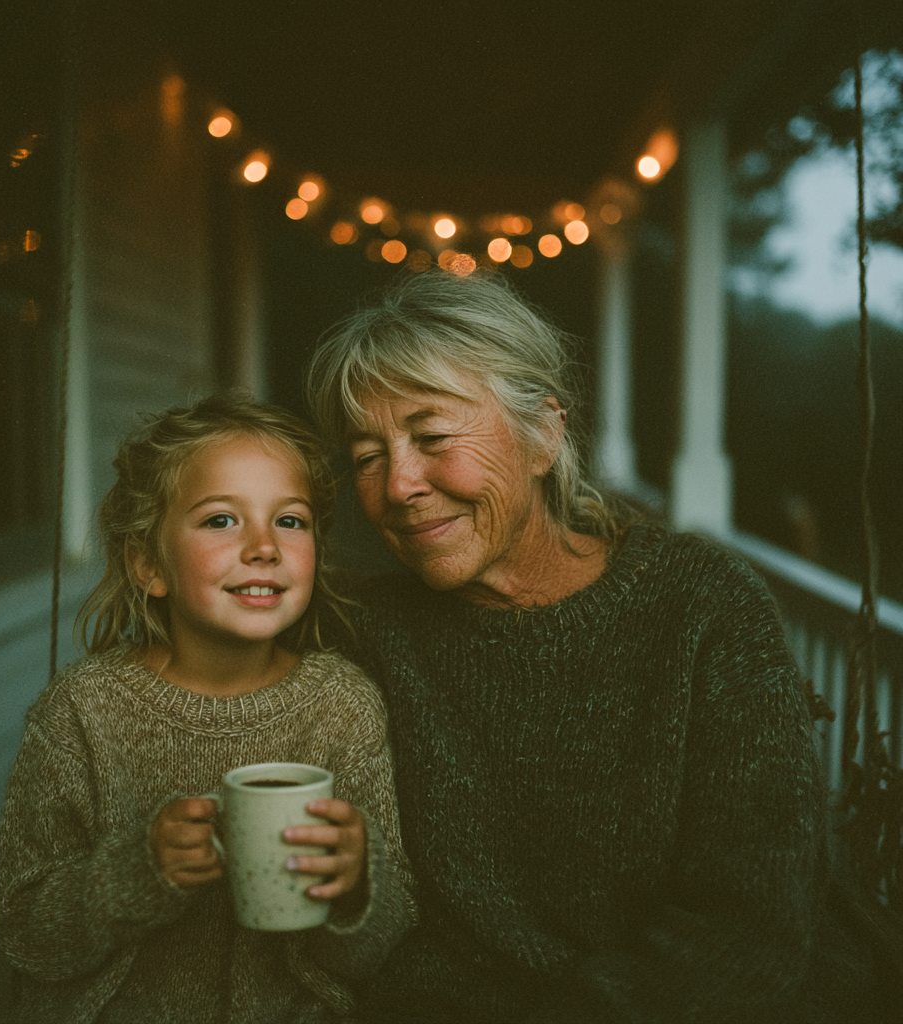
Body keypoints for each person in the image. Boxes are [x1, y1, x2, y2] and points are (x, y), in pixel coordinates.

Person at [306, 269, 888, 1024]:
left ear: (544, 434)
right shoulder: (371, 634)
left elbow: (749, 933)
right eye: (366, 456)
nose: (399, 484)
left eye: (432, 436)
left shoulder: (699, 604)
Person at [0, 394, 415, 1024]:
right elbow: (24, 935)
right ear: (149, 564)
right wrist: (139, 870)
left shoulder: (342, 705)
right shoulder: (83, 713)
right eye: (221, 520)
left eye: (290, 521)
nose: (264, 546)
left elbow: (379, 947)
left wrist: (355, 885)